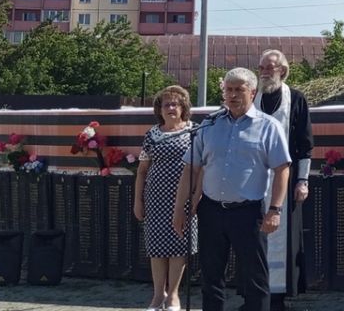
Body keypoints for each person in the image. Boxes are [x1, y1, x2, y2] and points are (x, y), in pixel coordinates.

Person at [173, 68, 291, 311]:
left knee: (255, 278)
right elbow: (190, 169)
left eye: (239, 89)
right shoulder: (208, 125)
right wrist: (179, 209)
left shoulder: (269, 126)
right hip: (211, 211)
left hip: (248, 213)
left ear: (253, 92)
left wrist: (275, 209)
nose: (233, 95)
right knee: (211, 277)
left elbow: (282, 169)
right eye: (229, 89)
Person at [256, 50, 314, 311]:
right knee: (252, 236)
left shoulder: (297, 99)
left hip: (285, 180)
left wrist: (303, 180)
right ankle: (255, 293)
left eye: (270, 67)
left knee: (281, 237)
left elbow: (305, 144)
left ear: (282, 70)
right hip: (253, 179)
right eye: (261, 68)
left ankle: (277, 297)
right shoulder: (250, 97)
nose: (265, 72)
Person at [134, 86, 197, 311]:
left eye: (175, 104)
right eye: (166, 104)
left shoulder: (194, 132)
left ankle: (173, 296)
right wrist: (138, 200)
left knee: (179, 247)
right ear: (159, 109)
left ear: (183, 108)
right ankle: (157, 295)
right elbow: (142, 170)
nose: (171, 108)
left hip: (184, 200)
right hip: (155, 200)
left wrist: (195, 198)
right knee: (156, 248)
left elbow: (201, 168)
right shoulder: (151, 135)